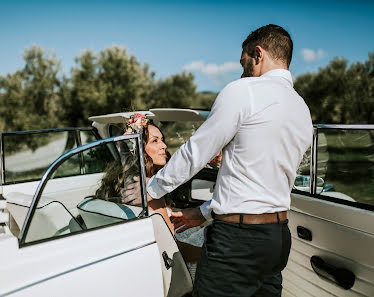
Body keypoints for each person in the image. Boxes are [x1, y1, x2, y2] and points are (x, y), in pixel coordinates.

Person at [124, 24, 313, 296]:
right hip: (278, 239)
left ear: (258, 54)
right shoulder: (301, 109)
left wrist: (149, 189)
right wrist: (200, 213)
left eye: (244, 61)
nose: (242, 70)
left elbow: (194, 154)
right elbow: (259, 182)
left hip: (237, 242)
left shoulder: (243, 91)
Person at [96, 113, 174, 233]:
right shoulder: (151, 190)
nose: (164, 146)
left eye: (162, 140)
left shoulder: (121, 183)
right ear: (139, 149)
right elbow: (171, 238)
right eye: (155, 141)